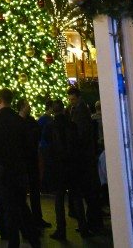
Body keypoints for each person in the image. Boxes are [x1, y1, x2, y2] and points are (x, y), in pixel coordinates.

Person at [0, 88, 40, 248]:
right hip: (19, 168)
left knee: (8, 206)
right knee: (21, 203)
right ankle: (33, 238)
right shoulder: (20, 121)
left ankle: (13, 241)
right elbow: (28, 146)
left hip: (2, 169)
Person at [45, 99, 87, 241]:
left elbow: (47, 147)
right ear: (63, 109)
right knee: (76, 197)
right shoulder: (72, 125)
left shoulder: (50, 127)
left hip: (58, 167)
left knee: (59, 200)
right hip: (72, 166)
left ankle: (61, 230)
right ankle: (83, 227)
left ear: (53, 111)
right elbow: (78, 144)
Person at [66, 86, 103, 234]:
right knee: (89, 192)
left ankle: (92, 223)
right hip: (85, 157)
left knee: (89, 192)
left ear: (77, 97)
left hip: (84, 157)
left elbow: (81, 133)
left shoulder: (80, 111)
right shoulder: (78, 109)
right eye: (70, 99)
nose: (71, 101)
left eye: (72, 99)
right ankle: (92, 222)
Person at [17, 98, 50, 230]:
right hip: (24, 161)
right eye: (28, 105)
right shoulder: (23, 123)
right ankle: (26, 219)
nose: (30, 107)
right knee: (25, 192)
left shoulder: (29, 122)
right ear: (22, 107)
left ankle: (36, 218)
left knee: (35, 191)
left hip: (31, 160)